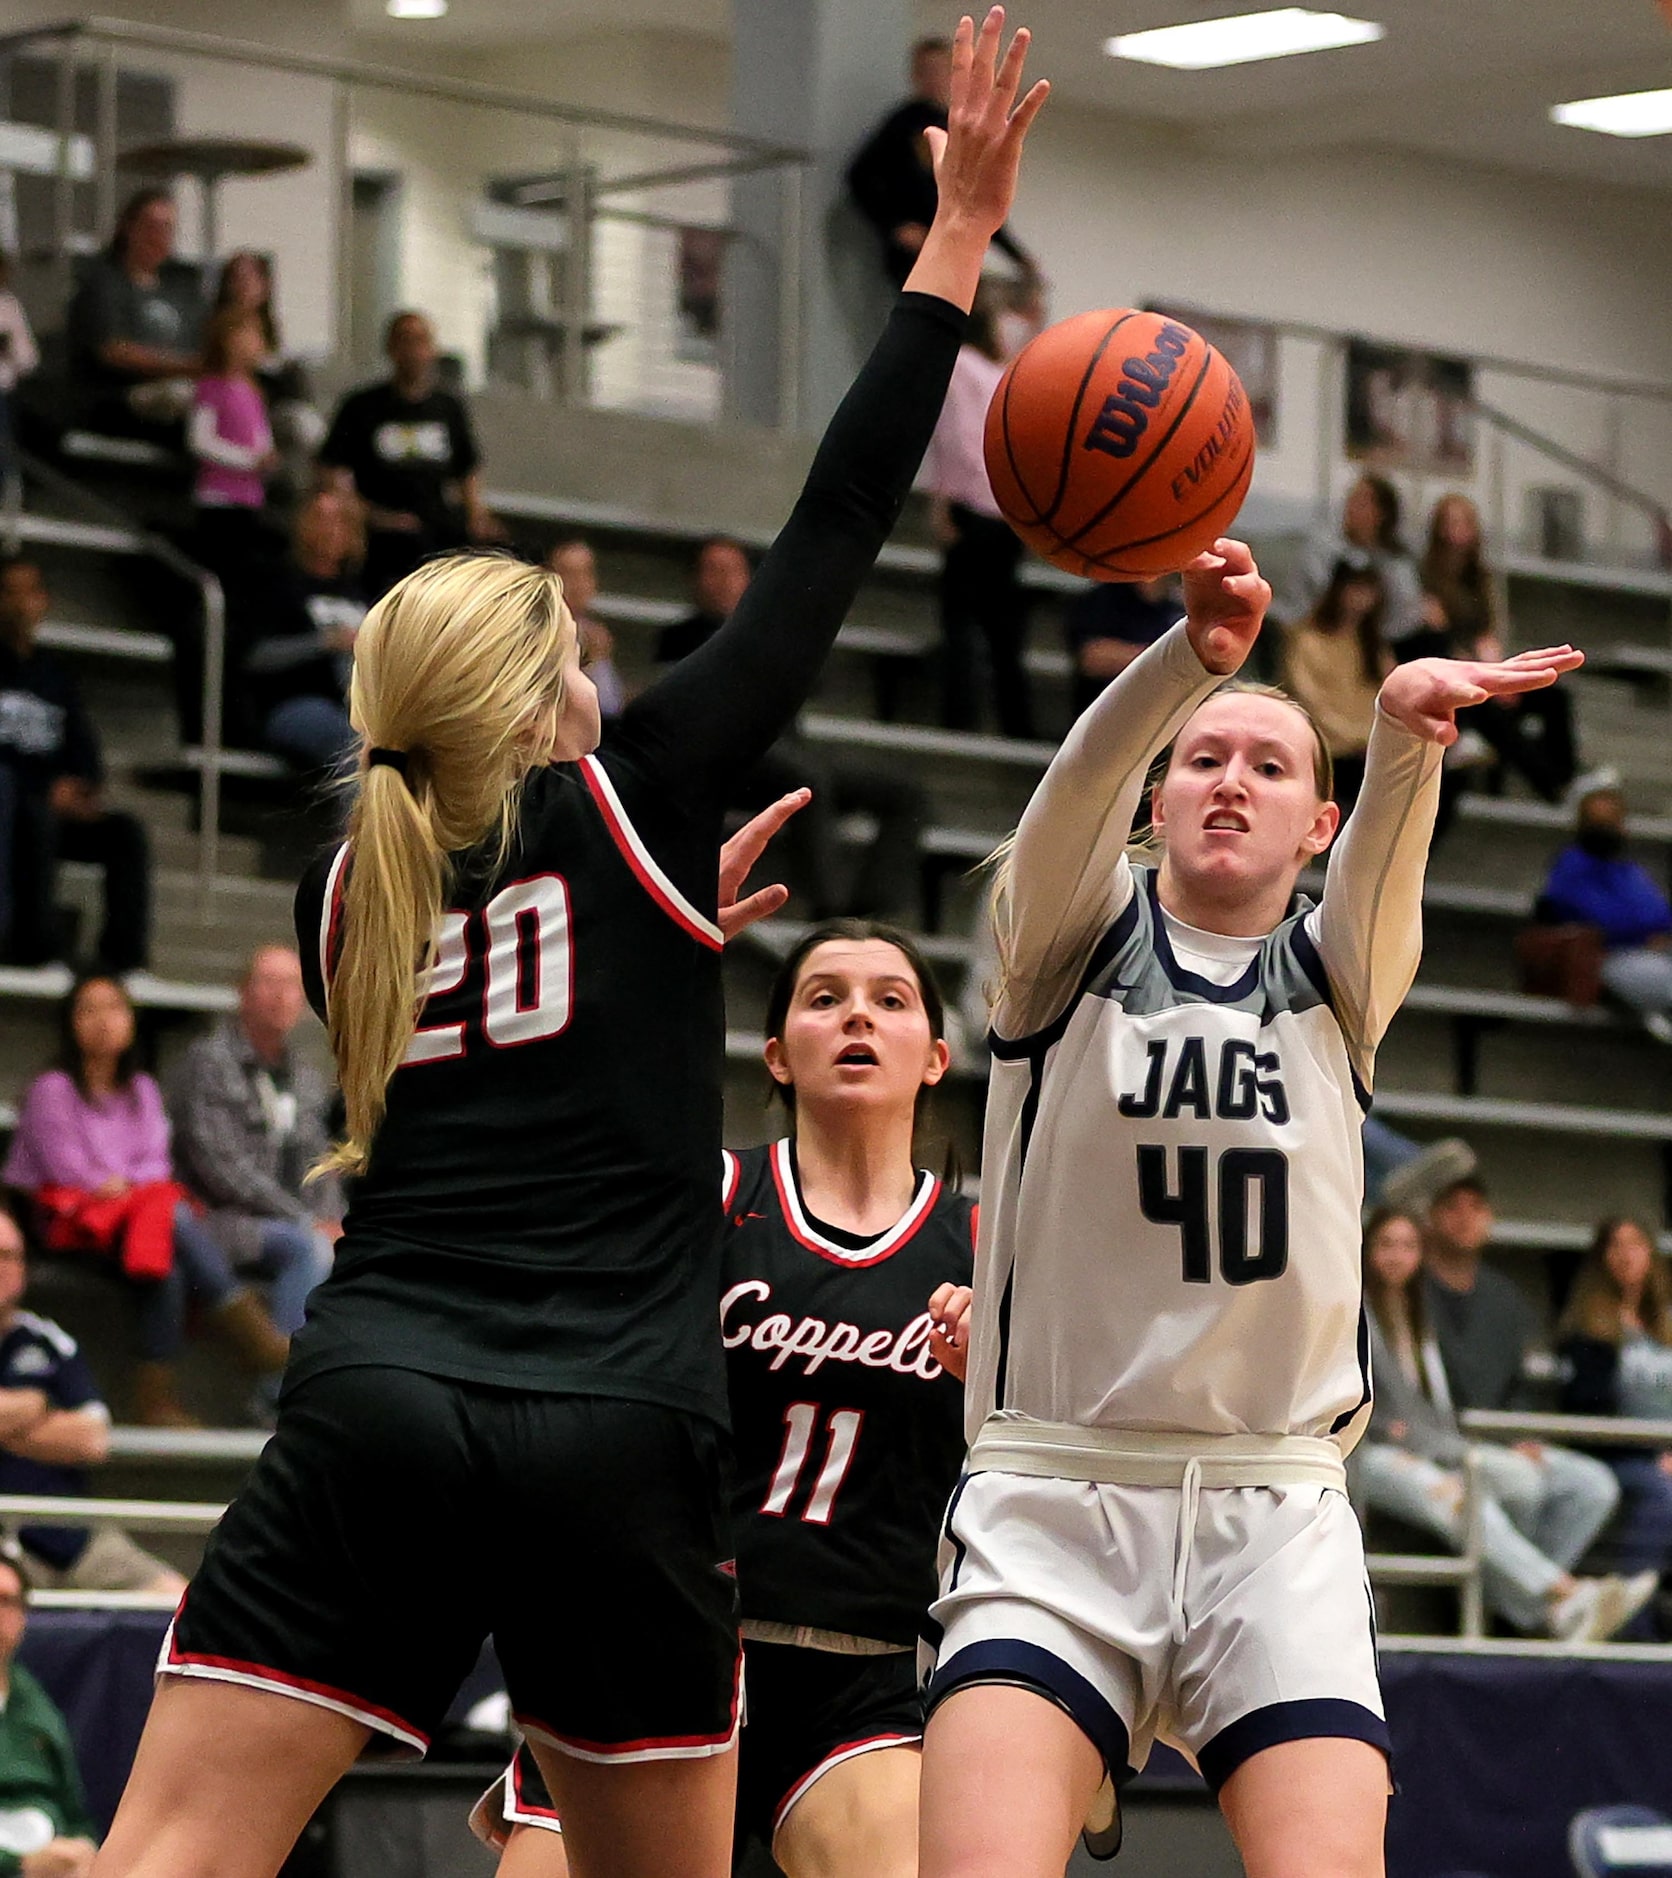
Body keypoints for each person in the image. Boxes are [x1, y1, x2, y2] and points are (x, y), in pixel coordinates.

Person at [90, 21, 1044, 1878]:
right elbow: (838, 520)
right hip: (613, 1423)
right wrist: (953, 248)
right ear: (545, 696)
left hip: (379, 1396)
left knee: (161, 1862)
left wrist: (677, 922)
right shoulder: (646, 789)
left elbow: (532, 983)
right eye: (578, 653)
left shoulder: (351, 875)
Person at [913, 530, 1581, 1878]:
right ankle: (1083, 1725)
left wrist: (1404, 739)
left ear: (1314, 824)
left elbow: (1391, 874)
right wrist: (1187, 660)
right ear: (1155, 799)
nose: (1230, 781)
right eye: (1202, 760)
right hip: (1057, 1491)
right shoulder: (1064, 948)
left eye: (1269, 766)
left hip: (1276, 1515)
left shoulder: (1338, 982)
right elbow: (1067, 802)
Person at [473, 922, 975, 1878]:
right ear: (778, 1054)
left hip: (867, 1673)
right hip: (664, 1646)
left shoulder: (986, 1254)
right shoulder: (705, 1198)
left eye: (890, 999)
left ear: (936, 1059)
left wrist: (990, 1386)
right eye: (824, 997)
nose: (858, 1014)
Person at [3, 976, 289, 1429]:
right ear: (71, 1023)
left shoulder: (143, 1089)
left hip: (135, 1222)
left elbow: (156, 1163)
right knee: (168, 1217)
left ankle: (155, 1400)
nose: (103, 1021)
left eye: (114, 1008)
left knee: (165, 1256)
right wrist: (117, 1185)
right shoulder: (52, 1090)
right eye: (89, 1010)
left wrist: (124, 1187)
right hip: (71, 1223)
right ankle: (252, 1336)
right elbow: (67, 1170)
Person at [1354, 1208, 1653, 1640]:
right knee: (1466, 1496)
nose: (1397, 1257)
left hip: (1441, 1441)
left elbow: (1458, 1401)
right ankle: (1562, 1595)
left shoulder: (1424, 1312)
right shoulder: (1353, 1310)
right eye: (1386, 1245)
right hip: (1372, 1450)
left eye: (1408, 1246)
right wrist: (1401, 1431)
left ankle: (1516, 1607)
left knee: (1574, 1484)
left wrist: (1507, 1439)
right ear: (1366, 1250)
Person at [658, 536, 927, 924]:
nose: (723, 581)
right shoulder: (680, 637)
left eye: (731, 571)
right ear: (694, 581)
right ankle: (829, 908)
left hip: (787, 750)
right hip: (730, 761)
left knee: (904, 793)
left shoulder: (773, 629)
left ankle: (876, 906)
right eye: (712, 570)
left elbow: (814, 680)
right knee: (806, 779)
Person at [164, 947, 340, 1411]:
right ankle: (277, 1397)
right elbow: (218, 1165)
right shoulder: (208, 1062)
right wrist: (306, 1219)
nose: (280, 996)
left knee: (346, 1244)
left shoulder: (306, 1076)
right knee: (309, 1246)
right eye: (267, 982)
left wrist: (332, 1216)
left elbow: (324, 1158)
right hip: (216, 1222)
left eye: (291, 985)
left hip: (288, 1223)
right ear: (242, 993)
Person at [0, 1206, 185, 1600]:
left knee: (182, 1604)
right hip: (6, 1544)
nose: (3, 1268)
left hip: (70, 1535)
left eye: (10, 1256)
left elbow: (91, 1440)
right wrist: (34, 1406)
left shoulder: (47, 1342)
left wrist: (21, 1417)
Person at [0, 556, 152, 977]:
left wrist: (81, 789)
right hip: (14, 806)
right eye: (8, 591)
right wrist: (42, 789)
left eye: (28, 592)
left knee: (125, 834)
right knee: (28, 811)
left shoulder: (56, 677)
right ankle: (35, 948)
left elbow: (85, 753)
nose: (18, 603)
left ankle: (124, 960)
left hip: (51, 806)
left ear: (44, 602)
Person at [319, 311, 506, 600]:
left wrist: (477, 516)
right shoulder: (361, 406)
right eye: (405, 341)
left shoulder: (448, 407)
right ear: (391, 349)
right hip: (380, 526)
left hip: (436, 522)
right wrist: (368, 515)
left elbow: (467, 470)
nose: (414, 351)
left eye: (421, 341)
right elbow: (334, 471)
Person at [920, 287, 1032, 740]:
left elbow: (957, 440)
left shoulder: (960, 369)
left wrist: (941, 502)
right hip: (1007, 511)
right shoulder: (1001, 375)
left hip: (974, 506)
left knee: (962, 620)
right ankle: (1016, 722)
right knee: (1004, 627)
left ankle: (961, 718)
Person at [847, 36, 1037, 289]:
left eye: (940, 70)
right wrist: (895, 225)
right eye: (926, 71)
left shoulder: (960, 127)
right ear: (915, 75)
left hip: (954, 247)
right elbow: (860, 176)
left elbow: (977, 200)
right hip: (919, 251)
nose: (933, 78)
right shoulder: (903, 123)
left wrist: (1018, 256)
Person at [1559, 1217, 1672, 1611]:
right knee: (1663, 1492)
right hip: (1620, 1457)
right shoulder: (1587, 1329)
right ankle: (1627, 1615)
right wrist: (1653, 1455)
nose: (1626, 1255)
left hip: (1666, 1455)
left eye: (1636, 1244)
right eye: (1615, 1246)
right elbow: (1585, 1413)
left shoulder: (1667, 1323)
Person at [241, 490, 367, 773]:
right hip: (294, 703)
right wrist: (323, 642)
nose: (331, 530)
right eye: (321, 519)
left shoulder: (360, 593)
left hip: (353, 706)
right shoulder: (278, 584)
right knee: (358, 746)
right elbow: (255, 656)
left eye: (340, 522)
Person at [1538, 782, 1672, 1043]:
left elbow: (1661, 914)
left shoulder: (1628, 870)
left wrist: (1650, 932)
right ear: (1582, 825)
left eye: (1611, 821)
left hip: (1648, 950)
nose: (1606, 829)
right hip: (1604, 958)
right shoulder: (1569, 868)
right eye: (1597, 822)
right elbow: (1602, 919)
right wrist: (1644, 935)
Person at [65, 189, 204, 435]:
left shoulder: (182, 285)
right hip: (123, 398)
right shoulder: (103, 283)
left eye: (167, 227)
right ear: (128, 228)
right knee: (190, 400)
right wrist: (188, 366)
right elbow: (114, 351)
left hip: (186, 386)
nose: (159, 236)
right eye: (151, 225)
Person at [0, 1542, 100, 1877]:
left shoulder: (35, 1704)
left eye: (7, 1602)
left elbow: (74, 1814)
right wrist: (18, 1864)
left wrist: (84, 1849)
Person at [1278, 556, 1390, 819]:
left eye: (1368, 590)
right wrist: (1355, 736)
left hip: (1367, 745)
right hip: (1328, 747)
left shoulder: (1372, 645)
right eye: (1355, 588)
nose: (1361, 598)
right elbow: (1309, 701)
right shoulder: (1306, 640)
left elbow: (1385, 694)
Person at [188, 308, 280, 602]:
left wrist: (266, 457)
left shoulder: (253, 392)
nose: (256, 342)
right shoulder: (212, 387)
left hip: (249, 498)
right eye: (250, 334)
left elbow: (260, 436)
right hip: (219, 498)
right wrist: (249, 460)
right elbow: (200, 441)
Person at [1284, 473, 1426, 651]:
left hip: (1376, 645)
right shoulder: (1322, 548)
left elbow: (1408, 610)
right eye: (1350, 500)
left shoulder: (1397, 561)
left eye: (1362, 503)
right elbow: (1311, 599)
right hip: (1318, 637)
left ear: (1382, 513)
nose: (1350, 508)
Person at [1062, 575, 1180, 719]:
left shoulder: (1179, 606)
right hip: (1104, 717)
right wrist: (1163, 658)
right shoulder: (1102, 600)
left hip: (1161, 719)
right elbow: (1092, 658)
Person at [545, 538, 623, 720]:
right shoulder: (536, 631)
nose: (577, 584)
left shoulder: (596, 635)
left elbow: (609, 706)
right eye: (568, 573)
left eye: (584, 573)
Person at [0, 254, 39, 489]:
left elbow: (29, 359)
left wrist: (9, 347)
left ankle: (9, 494)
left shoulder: (9, 306)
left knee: (5, 451)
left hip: (2, 394)